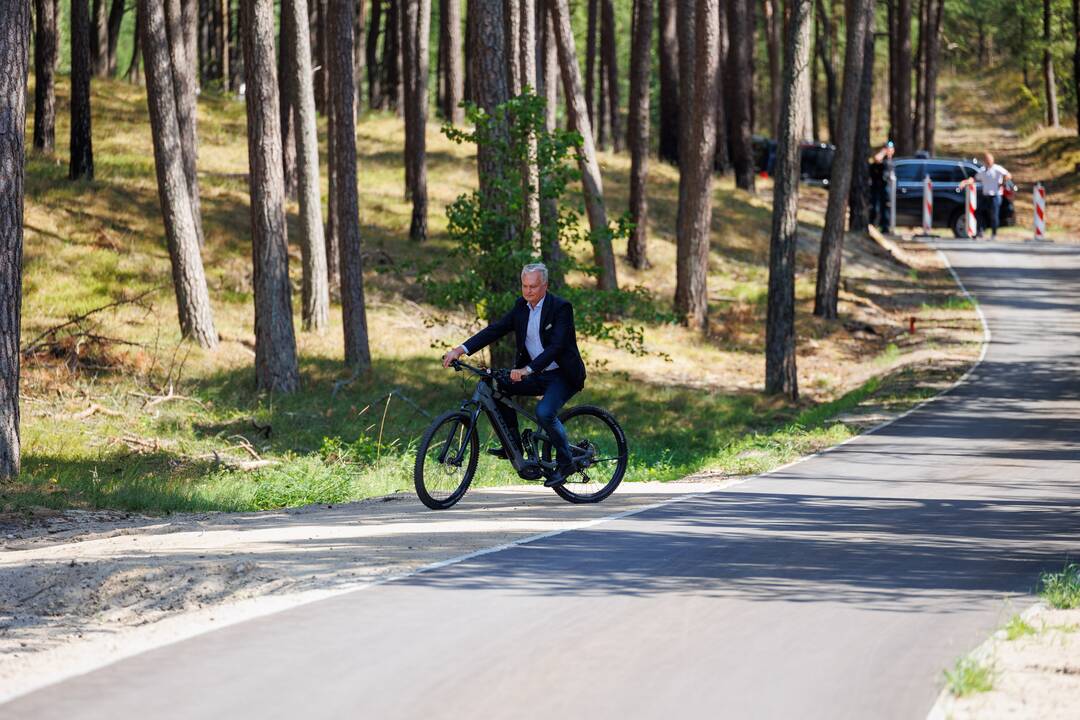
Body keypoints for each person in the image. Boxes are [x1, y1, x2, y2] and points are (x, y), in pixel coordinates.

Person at [442, 263, 587, 487]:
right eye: (525, 286)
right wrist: (460, 350)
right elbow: (495, 329)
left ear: (545, 286)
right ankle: (513, 445)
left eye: (533, 286)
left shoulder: (561, 308)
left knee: (545, 412)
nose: (528, 291)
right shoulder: (521, 307)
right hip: (537, 373)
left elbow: (556, 347)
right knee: (496, 386)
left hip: (563, 374)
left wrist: (527, 370)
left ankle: (566, 462)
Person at [960, 152, 1012, 238]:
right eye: (986, 160)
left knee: (994, 215)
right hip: (986, 196)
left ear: (992, 160)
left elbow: (1008, 175)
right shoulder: (983, 170)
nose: (988, 161)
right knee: (978, 212)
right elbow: (974, 179)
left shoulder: (997, 169)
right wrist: (965, 182)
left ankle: (994, 233)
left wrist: (1002, 182)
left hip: (995, 196)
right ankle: (980, 231)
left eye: (989, 160)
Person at [870, 141, 896, 232]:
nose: (889, 151)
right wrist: (883, 152)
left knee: (886, 209)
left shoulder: (891, 162)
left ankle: (885, 228)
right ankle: (872, 226)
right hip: (878, 189)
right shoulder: (881, 162)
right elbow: (877, 159)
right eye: (887, 148)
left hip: (887, 190)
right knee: (875, 208)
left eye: (890, 149)